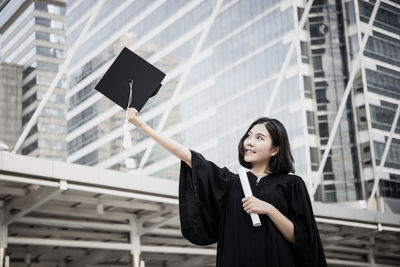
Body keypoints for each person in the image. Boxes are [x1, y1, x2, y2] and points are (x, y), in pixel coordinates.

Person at [127, 108, 327, 267]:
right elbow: (189, 157)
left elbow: (302, 239)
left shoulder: (291, 184)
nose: (249, 142)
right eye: (249, 135)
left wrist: (269, 209)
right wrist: (142, 125)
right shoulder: (232, 183)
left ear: (275, 149)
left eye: (259, 138)